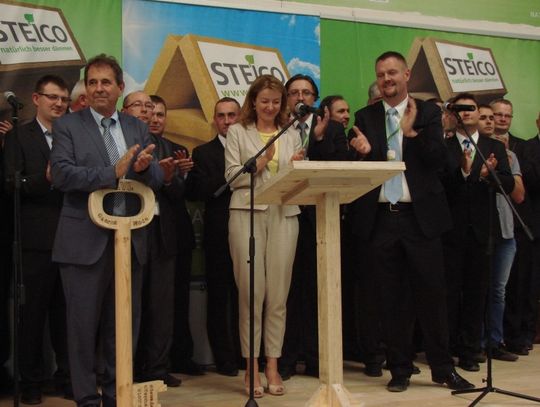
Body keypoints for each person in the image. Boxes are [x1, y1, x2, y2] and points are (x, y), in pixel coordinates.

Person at [347, 51, 473, 392]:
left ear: (406, 75)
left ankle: (443, 369)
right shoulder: (365, 116)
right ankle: (399, 370)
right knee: (390, 299)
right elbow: (357, 167)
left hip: (421, 220)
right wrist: (361, 152)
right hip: (381, 220)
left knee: (432, 296)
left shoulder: (428, 113)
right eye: (381, 74)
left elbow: (440, 163)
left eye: (392, 73)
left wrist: (412, 134)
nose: (386, 79)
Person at [50, 54, 162, 407]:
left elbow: (157, 177)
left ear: (120, 87)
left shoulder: (136, 127)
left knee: (125, 325)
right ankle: (86, 397)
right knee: (81, 327)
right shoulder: (68, 125)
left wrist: (141, 170)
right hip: (83, 242)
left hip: (130, 240)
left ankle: (118, 394)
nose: (99, 88)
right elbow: (62, 174)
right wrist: (112, 172)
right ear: (86, 88)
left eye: (106, 82)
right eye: (93, 82)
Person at [225, 74, 303, 397]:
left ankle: (273, 364)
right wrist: (261, 162)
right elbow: (232, 177)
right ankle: (252, 367)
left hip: (284, 214)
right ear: (253, 102)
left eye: (276, 101)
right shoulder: (237, 131)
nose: (270, 107)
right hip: (247, 214)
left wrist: (296, 167)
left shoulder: (291, 132)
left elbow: (297, 180)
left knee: (278, 296)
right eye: (264, 101)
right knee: (251, 295)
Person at [3, 75, 72, 404]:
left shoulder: (72, 136)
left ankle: (68, 377)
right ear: (36, 99)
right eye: (52, 97)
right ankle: (31, 381)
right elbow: (11, 184)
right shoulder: (18, 135)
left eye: (63, 99)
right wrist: (45, 180)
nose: (59, 104)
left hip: (73, 239)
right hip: (34, 242)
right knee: (31, 316)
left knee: (67, 315)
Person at [279, 75, 348, 380]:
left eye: (306, 93)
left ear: (315, 99)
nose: (300, 97)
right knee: (288, 291)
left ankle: (317, 359)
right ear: (287, 99)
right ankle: (286, 359)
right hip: (286, 216)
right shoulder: (278, 129)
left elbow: (340, 167)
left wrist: (317, 141)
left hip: (320, 218)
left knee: (317, 290)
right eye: (294, 93)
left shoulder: (332, 129)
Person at [441, 93, 514, 372]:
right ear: (453, 114)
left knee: (476, 293)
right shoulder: (445, 145)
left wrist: (487, 175)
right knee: (449, 293)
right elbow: (438, 183)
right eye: (460, 108)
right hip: (450, 232)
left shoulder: (493, 146)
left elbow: (508, 184)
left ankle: (471, 351)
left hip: (483, 233)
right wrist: (464, 172)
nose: (466, 112)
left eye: (470, 108)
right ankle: (448, 350)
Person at [124, 93, 184, 387]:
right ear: (125, 111)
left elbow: (180, 194)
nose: (146, 112)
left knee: (161, 306)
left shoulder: (168, 147)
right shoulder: (117, 141)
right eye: (139, 106)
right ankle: (127, 368)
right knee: (128, 304)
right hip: (128, 231)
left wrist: (169, 178)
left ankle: (157, 368)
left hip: (161, 232)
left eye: (150, 107)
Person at [186, 97, 242, 377]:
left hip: (251, 231)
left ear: (240, 118)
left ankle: (246, 355)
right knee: (219, 298)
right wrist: (233, 176)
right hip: (218, 234)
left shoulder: (251, 149)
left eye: (232, 115)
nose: (227, 121)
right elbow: (197, 191)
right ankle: (224, 359)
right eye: (221, 115)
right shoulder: (203, 152)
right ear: (214, 120)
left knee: (247, 296)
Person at [477, 104, 525, 361]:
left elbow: (519, 195)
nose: (492, 121)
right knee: (476, 289)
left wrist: (503, 169)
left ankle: (494, 342)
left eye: (493, 118)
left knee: (498, 291)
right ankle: (474, 342)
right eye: (487, 116)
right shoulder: (471, 150)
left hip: (506, 232)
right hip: (480, 230)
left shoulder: (510, 155)